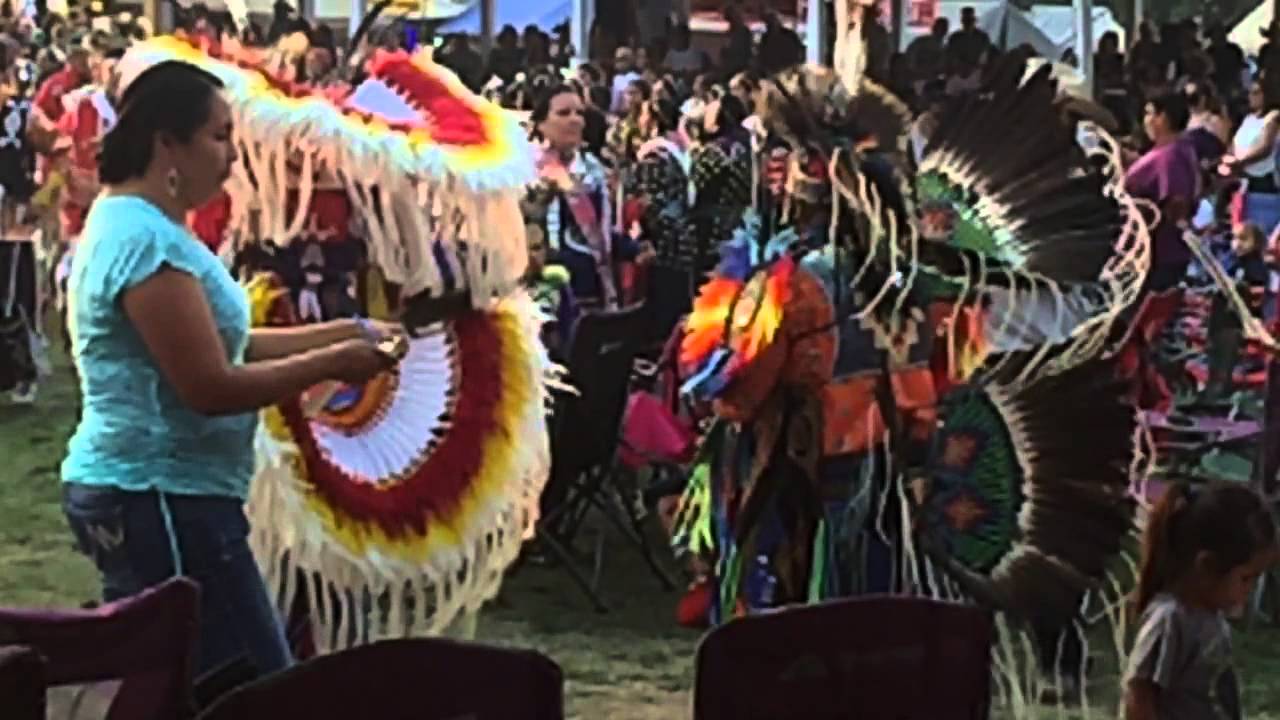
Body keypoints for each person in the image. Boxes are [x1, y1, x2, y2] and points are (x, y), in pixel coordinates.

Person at [60, 61, 399, 680]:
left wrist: (346, 331)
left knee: (191, 686)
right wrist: (334, 362)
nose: (233, 158)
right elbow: (209, 386)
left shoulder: (144, 227)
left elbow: (229, 342)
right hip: (158, 494)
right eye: (219, 137)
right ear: (168, 141)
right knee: (246, 686)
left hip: (167, 492)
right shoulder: (144, 241)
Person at [1123, 482, 1278, 720]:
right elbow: (1139, 695)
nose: (1249, 590)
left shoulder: (1212, 619)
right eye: (1245, 578)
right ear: (1206, 566)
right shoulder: (1170, 620)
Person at [530, 85, 651, 309]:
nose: (575, 120)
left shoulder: (593, 170)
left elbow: (599, 235)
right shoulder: (526, 172)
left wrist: (633, 249)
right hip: (543, 295)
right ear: (540, 123)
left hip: (591, 291)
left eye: (579, 113)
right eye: (563, 113)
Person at [1125, 92, 1199, 292]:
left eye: (1149, 113)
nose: (1145, 121)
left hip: (1160, 254)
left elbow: (1177, 203)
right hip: (1148, 252)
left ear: (1163, 117)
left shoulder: (1171, 155)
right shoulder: (1172, 150)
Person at [1224, 81, 1280, 240]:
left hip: (1265, 181)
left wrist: (1241, 162)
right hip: (1244, 183)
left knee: (1263, 233)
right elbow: (1236, 144)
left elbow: (1265, 147)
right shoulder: (1248, 119)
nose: (1252, 97)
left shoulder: (1274, 117)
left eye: (1257, 93)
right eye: (1250, 93)